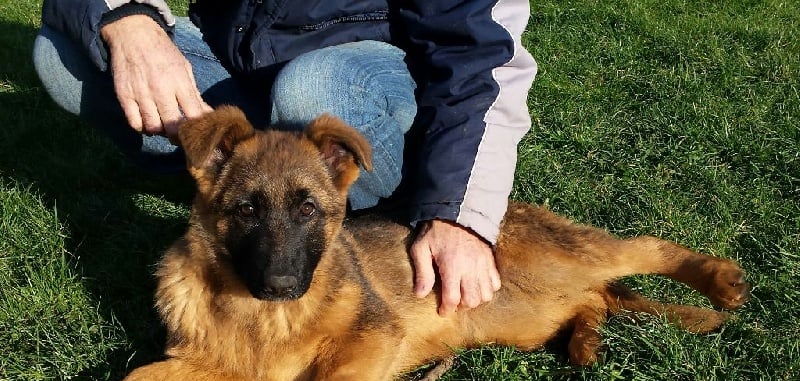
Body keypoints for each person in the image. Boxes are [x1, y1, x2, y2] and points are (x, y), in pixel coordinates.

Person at [33, 0, 537, 315]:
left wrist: (458, 215)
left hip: (364, 73)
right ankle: (233, 184)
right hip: (239, 62)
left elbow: (481, 57)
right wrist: (129, 19)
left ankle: (367, 200)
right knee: (65, 57)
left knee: (310, 90)